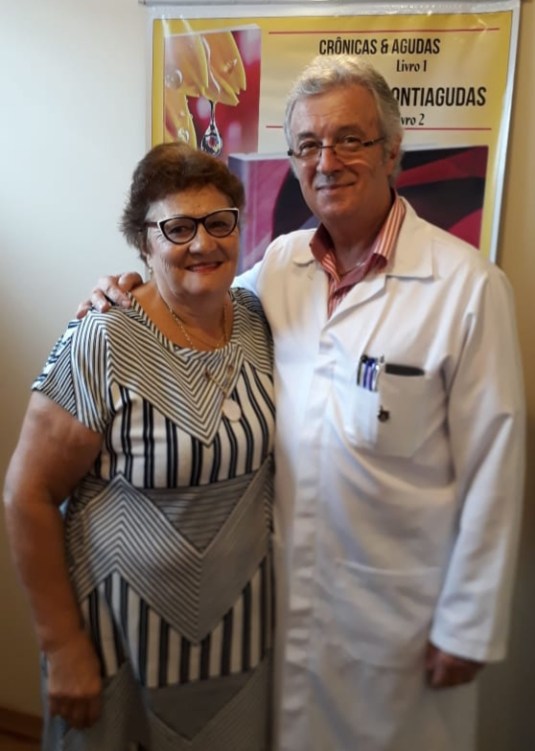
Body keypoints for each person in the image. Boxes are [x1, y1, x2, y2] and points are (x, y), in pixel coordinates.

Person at [77, 55, 525, 751]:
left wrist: (467, 624)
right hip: (281, 611)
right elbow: (194, 300)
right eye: (308, 145)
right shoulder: (280, 265)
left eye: (349, 140)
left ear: (392, 152)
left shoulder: (466, 287)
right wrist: (126, 291)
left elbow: (494, 467)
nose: (327, 161)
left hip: (401, 617)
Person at [3, 142, 276, 751]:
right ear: (143, 243)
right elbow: (27, 494)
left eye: (219, 222)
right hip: (116, 644)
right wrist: (61, 646)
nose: (202, 243)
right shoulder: (103, 338)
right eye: (177, 228)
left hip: (238, 642)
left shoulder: (258, 320)